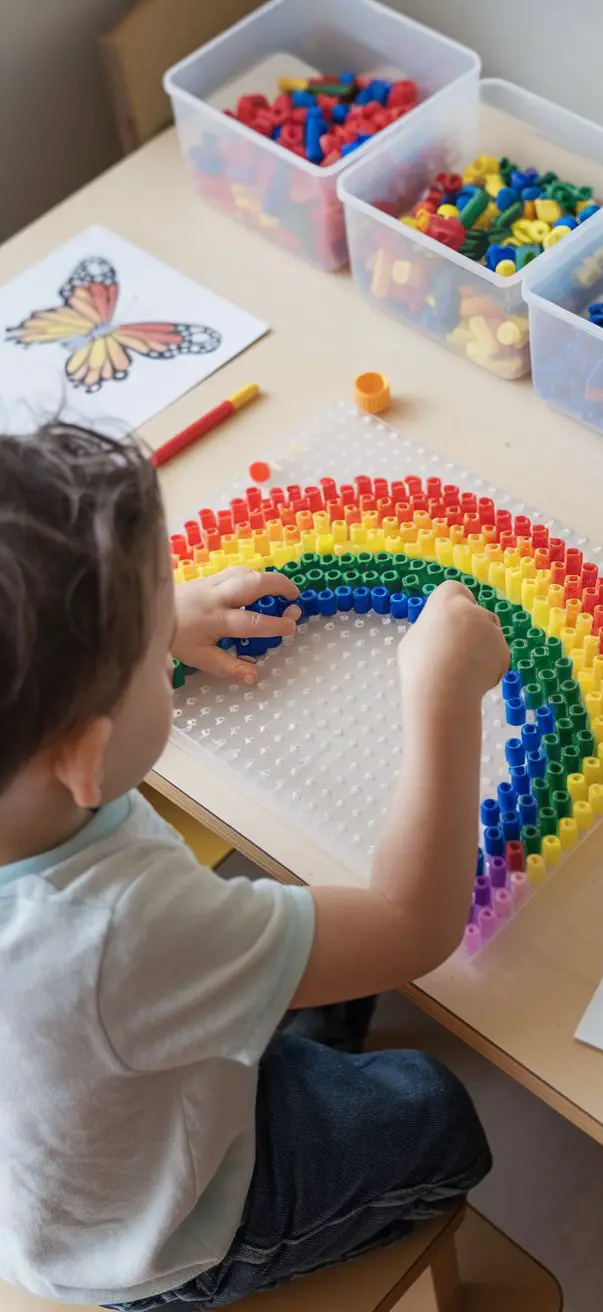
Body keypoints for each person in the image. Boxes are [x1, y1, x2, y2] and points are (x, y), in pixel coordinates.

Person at [0, 422, 509, 1310]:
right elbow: (413, 922)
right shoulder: (114, 931)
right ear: (87, 754)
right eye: (150, 654)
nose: (166, 646)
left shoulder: (34, 806)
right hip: (164, 1231)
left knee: (293, 913)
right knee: (429, 1108)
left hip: (67, 1139)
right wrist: (443, 694)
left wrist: (149, 629)